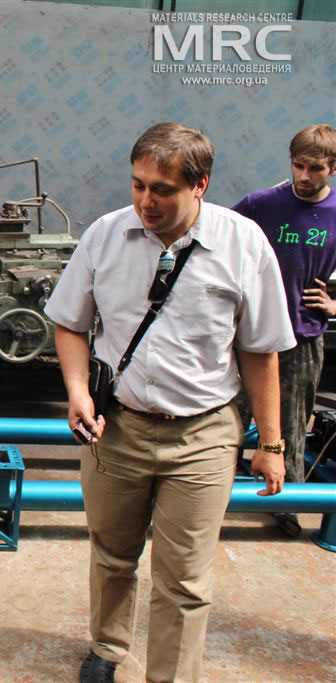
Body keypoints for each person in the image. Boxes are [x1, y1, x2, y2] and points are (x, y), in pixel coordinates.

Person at [44, 122, 294, 683]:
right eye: (137, 185)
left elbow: (261, 352)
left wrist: (271, 445)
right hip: (117, 429)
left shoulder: (244, 243)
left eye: (162, 190)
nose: (145, 201)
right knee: (112, 555)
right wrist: (79, 393)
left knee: (184, 579)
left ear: (200, 185)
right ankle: (108, 650)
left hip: (205, 435)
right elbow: (69, 323)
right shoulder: (105, 236)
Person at [232, 124, 336, 536]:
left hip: (303, 336)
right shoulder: (260, 205)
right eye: (298, 166)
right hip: (248, 335)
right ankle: (209, 490)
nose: (304, 176)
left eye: (315, 168)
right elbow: (210, 241)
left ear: (333, 168)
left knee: (291, 424)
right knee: (227, 418)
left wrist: (333, 305)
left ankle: (286, 502)